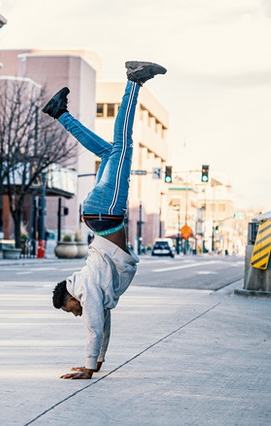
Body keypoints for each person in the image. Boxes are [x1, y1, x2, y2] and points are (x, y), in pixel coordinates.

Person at [42, 60, 166, 379]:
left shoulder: (88, 291)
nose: (75, 314)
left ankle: (133, 82)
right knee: (113, 152)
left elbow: (94, 325)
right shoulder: (90, 286)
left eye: (70, 310)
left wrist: (86, 366)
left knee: (123, 145)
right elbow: (105, 326)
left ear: (69, 297)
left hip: (106, 212)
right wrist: (96, 363)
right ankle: (60, 113)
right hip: (97, 213)